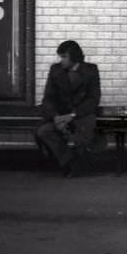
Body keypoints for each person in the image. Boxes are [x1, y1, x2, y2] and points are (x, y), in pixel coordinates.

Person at [35, 40, 101, 177]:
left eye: (64, 57)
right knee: (43, 132)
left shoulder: (90, 70)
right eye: (60, 56)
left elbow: (93, 99)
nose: (61, 60)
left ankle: (75, 163)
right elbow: (48, 98)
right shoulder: (56, 70)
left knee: (81, 137)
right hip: (60, 116)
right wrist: (55, 117)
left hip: (81, 116)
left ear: (74, 57)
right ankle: (70, 162)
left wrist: (73, 115)